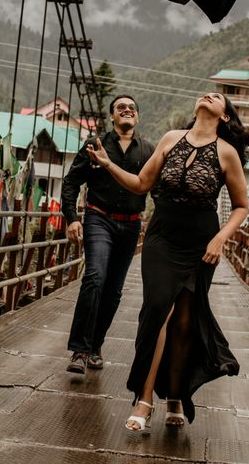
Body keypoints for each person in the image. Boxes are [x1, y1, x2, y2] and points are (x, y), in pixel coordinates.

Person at [85, 92, 249, 432]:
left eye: (217, 96)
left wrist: (220, 239)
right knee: (157, 311)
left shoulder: (227, 153)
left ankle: (175, 396)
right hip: (161, 239)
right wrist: (107, 164)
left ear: (224, 116)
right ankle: (144, 399)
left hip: (201, 243)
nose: (208, 95)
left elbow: (241, 206)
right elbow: (141, 183)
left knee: (185, 321)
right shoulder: (171, 139)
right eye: (206, 93)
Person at [61, 94, 155, 375]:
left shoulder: (148, 151)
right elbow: (71, 182)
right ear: (112, 117)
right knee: (94, 278)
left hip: (131, 225)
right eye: (120, 108)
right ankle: (79, 350)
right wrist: (71, 219)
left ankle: (95, 346)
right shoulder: (95, 145)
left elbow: (158, 190)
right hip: (98, 219)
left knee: (113, 291)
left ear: (136, 117)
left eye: (131, 108)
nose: (126, 110)